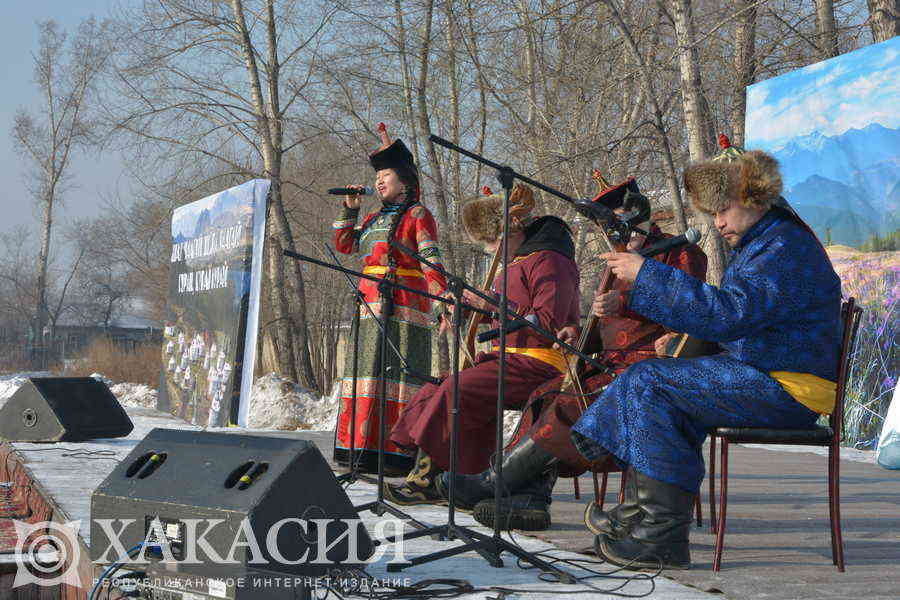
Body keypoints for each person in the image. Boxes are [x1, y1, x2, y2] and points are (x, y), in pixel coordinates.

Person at [570, 150, 842, 570]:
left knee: (649, 383)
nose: (717, 223)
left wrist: (646, 273)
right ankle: (644, 515)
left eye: (722, 210)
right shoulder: (768, 242)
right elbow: (733, 318)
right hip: (767, 374)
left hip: (788, 387)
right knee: (651, 381)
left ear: (753, 196)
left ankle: (658, 531)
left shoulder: (781, 248)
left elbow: (728, 315)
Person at [439, 178, 708, 531]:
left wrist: (627, 300)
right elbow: (609, 324)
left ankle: (496, 482)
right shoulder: (619, 256)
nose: (619, 240)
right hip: (610, 361)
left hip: (651, 365)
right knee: (545, 395)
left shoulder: (681, 253)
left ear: (638, 218)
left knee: (571, 405)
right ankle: (530, 500)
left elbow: (690, 309)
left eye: (622, 229)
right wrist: (578, 335)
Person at [385, 184, 581, 505]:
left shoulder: (549, 260)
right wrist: (463, 305)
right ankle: (462, 475)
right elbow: (503, 313)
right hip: (509, 361)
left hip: (541, 363)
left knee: (458, 389)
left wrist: (489, 304)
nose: (490, 249)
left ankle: (425, 480)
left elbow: (548, 321)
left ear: (511, 231)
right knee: (440, 386)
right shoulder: (516, 263)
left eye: (491, 241)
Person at [332, 126, 447, 475]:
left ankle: (395, 452)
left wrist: (442, 302)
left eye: (386, 175)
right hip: (369, 306)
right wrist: (350, 210)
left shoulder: (417, 215)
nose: (380, 182)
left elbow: (430, 261)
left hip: (404, 306)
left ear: (405, 180)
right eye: (377, 176)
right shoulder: (372, 218)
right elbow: (346, 245)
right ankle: (358, 449)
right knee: (365, 374)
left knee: (395, 376)